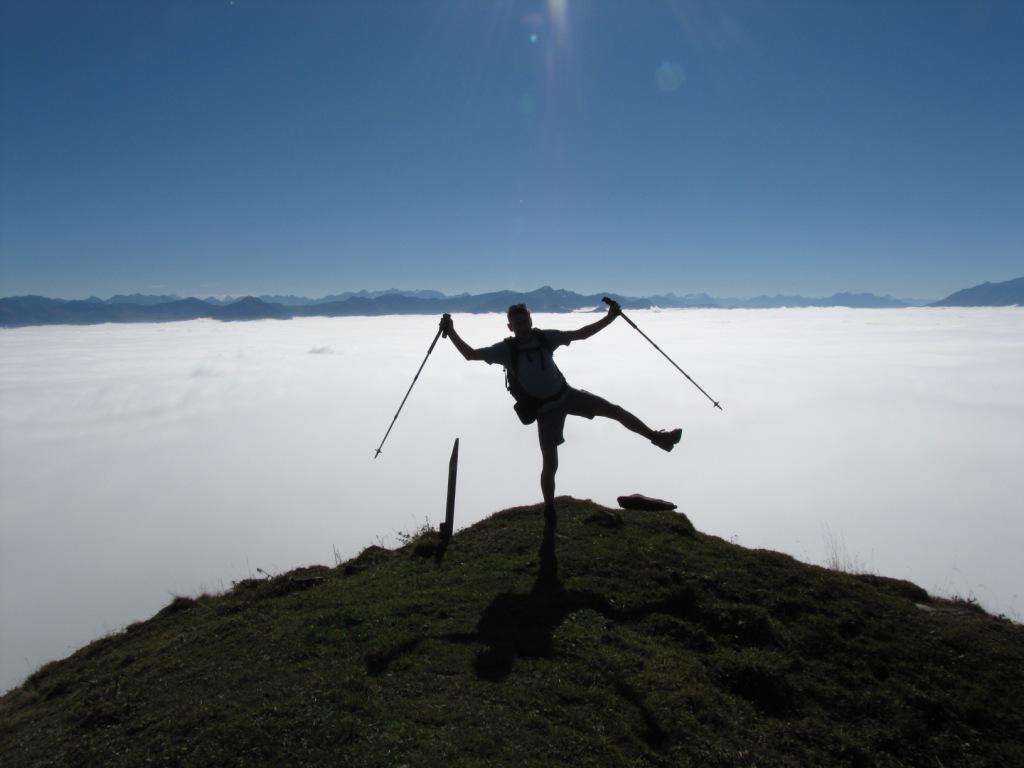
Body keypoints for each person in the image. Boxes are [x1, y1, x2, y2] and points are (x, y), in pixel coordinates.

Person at [439, 301, 682, 527]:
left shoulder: (544, 338)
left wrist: (609, 319)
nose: (522, 327)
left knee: (614, 411)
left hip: (566, 395)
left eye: (525, 322)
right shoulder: (506, 350)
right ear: (510, 327)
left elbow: (580, 334)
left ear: (531, 321)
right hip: (546, 411)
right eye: (517, 323)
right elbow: (470, 354)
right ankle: (550, 508)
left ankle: (658, 438)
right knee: (550, 462)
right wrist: (451, 332)